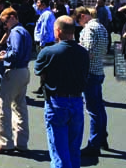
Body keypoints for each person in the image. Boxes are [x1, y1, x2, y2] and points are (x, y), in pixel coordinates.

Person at [34, 16, 90, 168]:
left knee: (58, 150)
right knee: (74, 149)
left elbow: (39, 71)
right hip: (77, 101)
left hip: (57, 101)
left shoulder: (49, 52)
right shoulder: (83, 53)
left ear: (58, 31)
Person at [0, 8, 33, 154]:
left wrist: (0, 57)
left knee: (3, 106)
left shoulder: (16, 32)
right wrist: (5, 54)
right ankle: (21, 142)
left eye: (6, 21)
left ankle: (5, 142)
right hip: (24, 70)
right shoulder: (24, 31)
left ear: (12, 17)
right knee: (20, 107)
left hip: (14, 71)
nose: (5, 25)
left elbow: (16, 53)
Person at [77, 6, 109, 157]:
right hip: (98, 69)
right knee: (99, 108)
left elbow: (86, 52)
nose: (79, 25)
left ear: (83, 16)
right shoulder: (101, 27)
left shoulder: (89, 29)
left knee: (93, 110)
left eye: (79, 21)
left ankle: (94, 143)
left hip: (89, 72)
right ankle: (102, 137)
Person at [32, 0, 56, 95]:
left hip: (44, 43)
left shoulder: (46, 14)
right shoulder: (44, 13)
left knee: (44, 67)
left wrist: (42, 43)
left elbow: (45, 30)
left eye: (38, 3)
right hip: (44, 43)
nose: (36, 5)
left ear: (43, 4)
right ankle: (42, 87)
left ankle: (45, 88)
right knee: (43, 67)